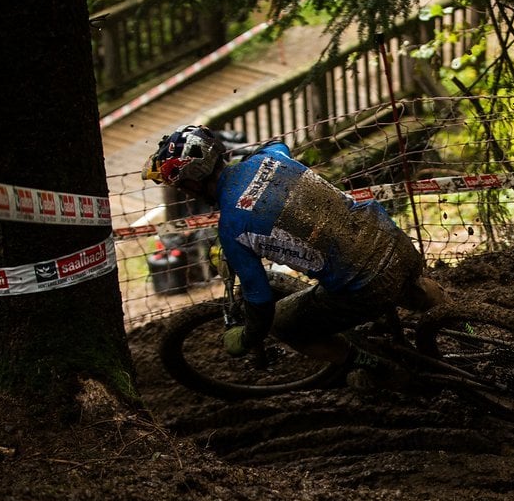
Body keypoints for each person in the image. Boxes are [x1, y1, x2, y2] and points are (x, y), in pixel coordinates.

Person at [143, 124, 447, 388]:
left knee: (284, 324)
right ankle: (461, 319)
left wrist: (247, 338)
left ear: (193, 183)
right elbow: (278, 143)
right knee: (411, 283)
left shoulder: (232, 227)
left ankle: (379, 368)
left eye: (182, 186)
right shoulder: (271, 157)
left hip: (365, 287)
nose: (184, 193)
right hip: (397, 244)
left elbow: (260, 301)